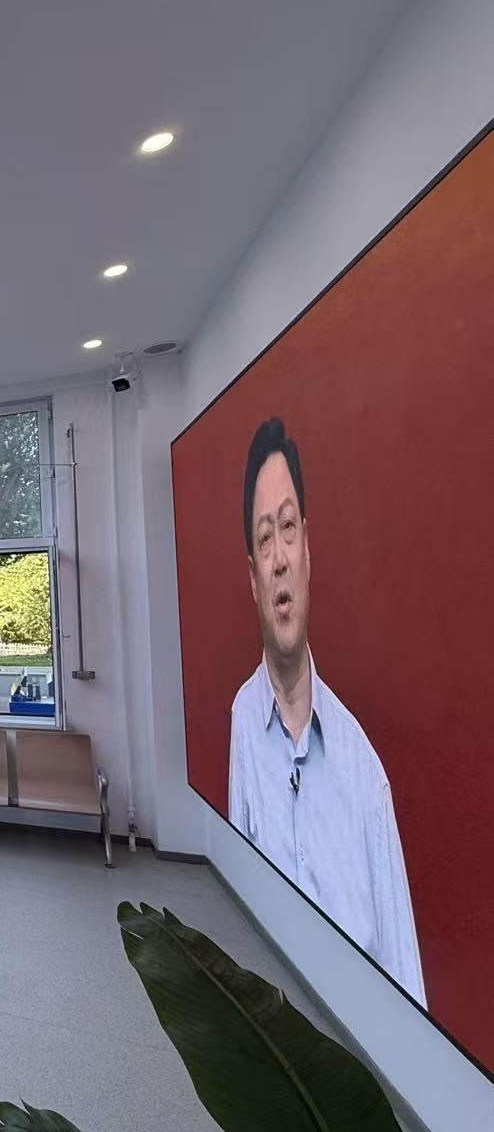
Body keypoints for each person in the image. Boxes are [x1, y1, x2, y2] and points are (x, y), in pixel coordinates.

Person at [227, 417, 423, 1003]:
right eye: (264, 538)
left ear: (308, 551)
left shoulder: (363, 770)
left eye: (288, 528)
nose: (279, 558)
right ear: (253, 579)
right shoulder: (243, 717)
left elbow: (405, 975)